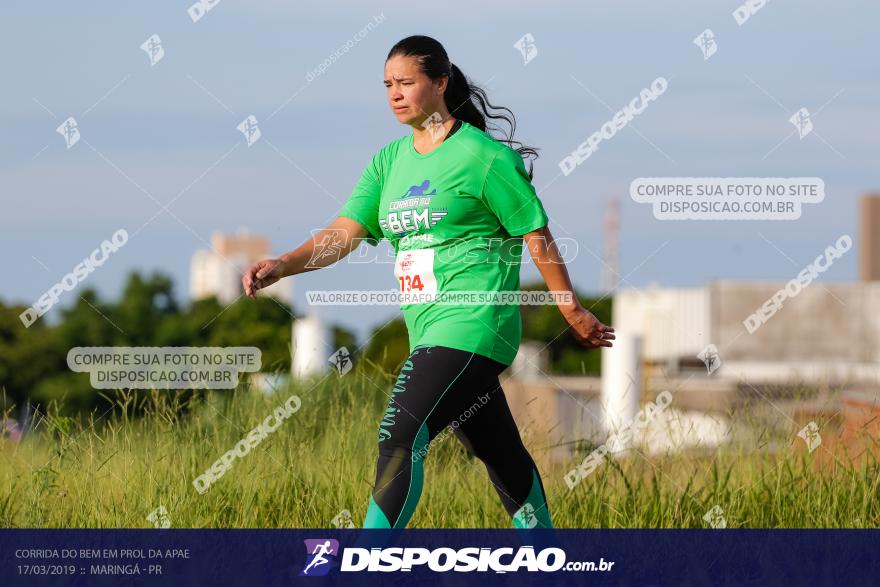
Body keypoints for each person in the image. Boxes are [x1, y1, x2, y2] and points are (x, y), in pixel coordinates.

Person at [242, 35, 614, 530]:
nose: (395, 93)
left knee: (401, 435)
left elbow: (537, 236)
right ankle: (549, 557)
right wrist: (283, 264)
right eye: (388, 85)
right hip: (428, 328)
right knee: (498, 451)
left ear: (440, 83)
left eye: (407, 82)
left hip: (474, 324)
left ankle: (368, 562)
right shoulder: (388, 163)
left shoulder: (483, 158)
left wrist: (570, 309)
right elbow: (343, 234)